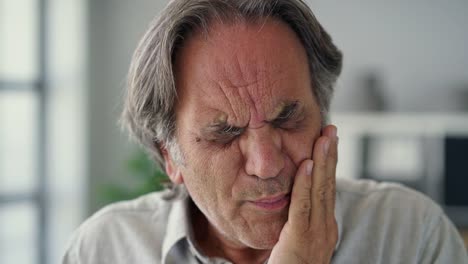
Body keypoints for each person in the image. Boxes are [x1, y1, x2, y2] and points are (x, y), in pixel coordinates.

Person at [63, 0, 468, 263]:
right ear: (170, 156)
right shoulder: (105, 249)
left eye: (287, 118)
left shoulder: (411, 237)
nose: (266, 164)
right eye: (224, 133)